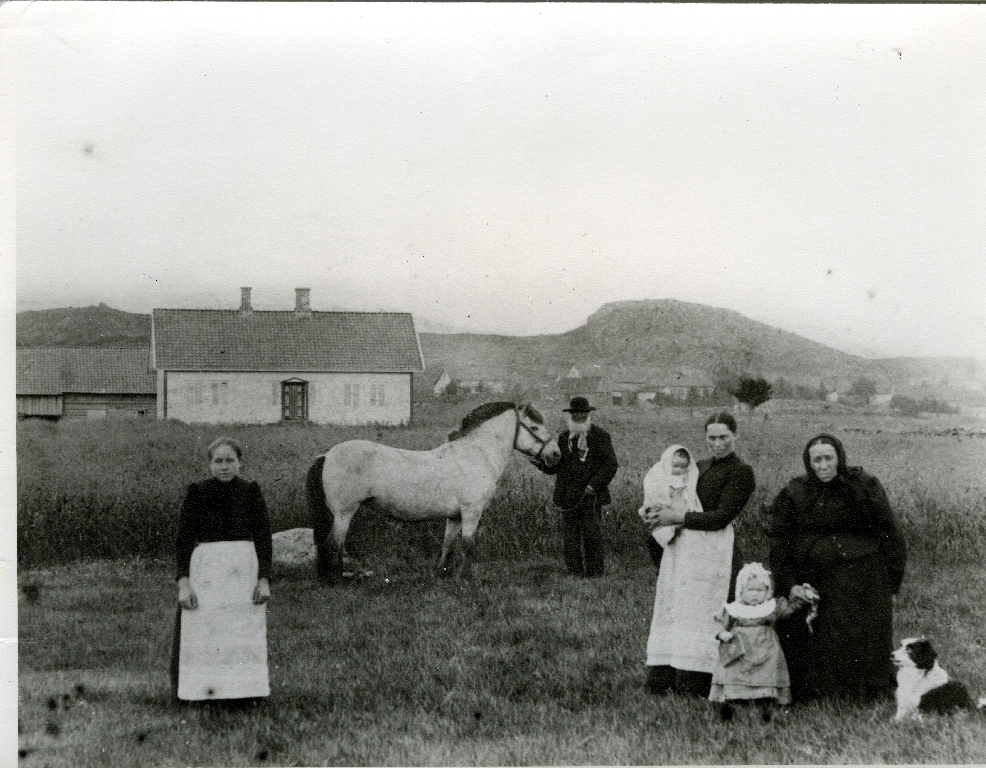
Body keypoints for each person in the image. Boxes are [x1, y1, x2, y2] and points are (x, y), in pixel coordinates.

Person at [767, 433, 906, 704]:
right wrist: (790, 583)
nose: (823, 465)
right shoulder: (795, 492)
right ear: (808, 463)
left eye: (828, 458)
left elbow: (890, 533)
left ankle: (862, 694)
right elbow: (780, 544)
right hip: (813, 580)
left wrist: (890, 581)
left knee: (860, 634)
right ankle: (818, 693)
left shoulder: (864, 486)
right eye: (816, 460)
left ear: (839, 458)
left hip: (863, 579)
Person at [641, 412, 756, 697]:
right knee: (679, 612)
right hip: (685, 549)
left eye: (723, 437)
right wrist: (655, 512)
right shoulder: (697, 466)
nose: (717, 444)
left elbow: (721, 517)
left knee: (707, 615)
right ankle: (668, 675)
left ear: (735, 436)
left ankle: (700, 682)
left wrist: (676, 517)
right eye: (711, 438)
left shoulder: (740, 471)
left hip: (716, 551)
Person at [170, 436, 273, 703]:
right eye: (218, 461)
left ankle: (243, 692)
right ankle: (200, 691)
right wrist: (183, 582)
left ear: (240, 463)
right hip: (207, 571)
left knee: (241, 629)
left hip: (242, 570)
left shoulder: (250, 491)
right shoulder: (197, 492)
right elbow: (183, 540)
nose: (224, 467)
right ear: (210, 465)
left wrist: (264, 579)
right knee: (206, 630)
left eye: (230, 461)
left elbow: (263, 537)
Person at [710, 562, 818, 722]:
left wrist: (802, 597)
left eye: (760, 590)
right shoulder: (734, 608)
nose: (755, 594)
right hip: (740, 648)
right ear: (741, 590)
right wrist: (722, 633)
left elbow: (789, 609)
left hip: (765, 646)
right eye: (750, 590)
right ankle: (736, 698)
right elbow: (719, 621)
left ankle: (765, 698)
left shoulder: (772, 606)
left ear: (768, 590)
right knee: (735, 670)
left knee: (768, 669)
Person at [538, 396, 618, 578]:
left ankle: (595, 574)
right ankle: (575, 572)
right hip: (568, 497)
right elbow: (556, 467)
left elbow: (611, 465)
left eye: (582, 413)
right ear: (570, 416)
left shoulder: (600, 436)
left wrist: (594, 485)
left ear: (589, 414)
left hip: (590, 496)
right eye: (575, 414)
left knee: (592, 535)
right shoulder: (564, 437)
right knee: (570, 538)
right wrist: (538, 462)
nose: (578, 417)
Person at [638, 444, 700, 549]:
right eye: (675, 466)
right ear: (668, 463)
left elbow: (690, 493)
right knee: (659, 525)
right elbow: (653, 491)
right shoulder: (659, 475)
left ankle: (674, 531)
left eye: (683, 467)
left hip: (679, 507)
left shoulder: (688, 478)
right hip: (663, 506)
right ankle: (666, 535)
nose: (679, 470)